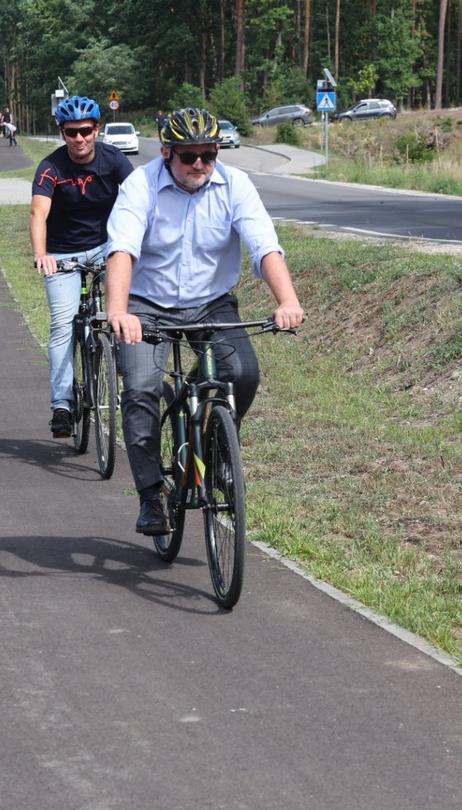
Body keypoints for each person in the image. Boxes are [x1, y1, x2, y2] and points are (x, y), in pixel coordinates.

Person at [106, 107, 303, 536]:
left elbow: (263, 244)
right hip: (146, 302)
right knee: (139, 390)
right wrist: (119, 311)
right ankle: (150, 495)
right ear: (166, 153)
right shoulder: (141, 185)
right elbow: (122, 248)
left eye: (208, 154)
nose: (199, 164)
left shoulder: (235, 185)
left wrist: (287, 300)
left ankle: (214, 453)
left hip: (211, 303)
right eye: (188, 156)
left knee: (242, 372)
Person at [30, 95, 134, 437]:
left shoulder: (113, 159)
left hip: (107, 246)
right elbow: (38, 213)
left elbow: (137, 200)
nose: (79, 139)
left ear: (96, 130)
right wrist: (41, 253)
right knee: (63, 324)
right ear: (62, 132)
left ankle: (128, 369)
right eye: (71, 132)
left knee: (127, 307)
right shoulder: (51, 167)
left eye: (86, 131)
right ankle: (62, 404)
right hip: (62, 253)